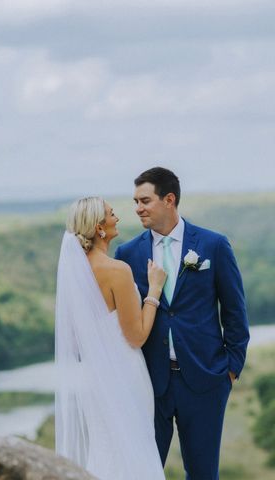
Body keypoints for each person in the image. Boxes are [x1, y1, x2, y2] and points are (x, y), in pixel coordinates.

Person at [115, 167, 250, 480]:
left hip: (206, 381)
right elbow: (125, 320)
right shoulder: (128, 253)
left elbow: (234, 311)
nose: (138, 208)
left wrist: (230, 370)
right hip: (150, 383)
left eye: (145, 200)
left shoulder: (213, 246)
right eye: (135, 201)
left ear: (169, 200)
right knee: (142, 472)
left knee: (203, 474)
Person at [55, 196, 167, 479]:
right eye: (111, 213)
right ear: (99, 228)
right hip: (126, 373)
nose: (117, 217)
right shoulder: (117, 270)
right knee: (135, 445)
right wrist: (154, 290)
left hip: (96, 377)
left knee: (106, 447)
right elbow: (137, 336)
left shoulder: (75, 274)